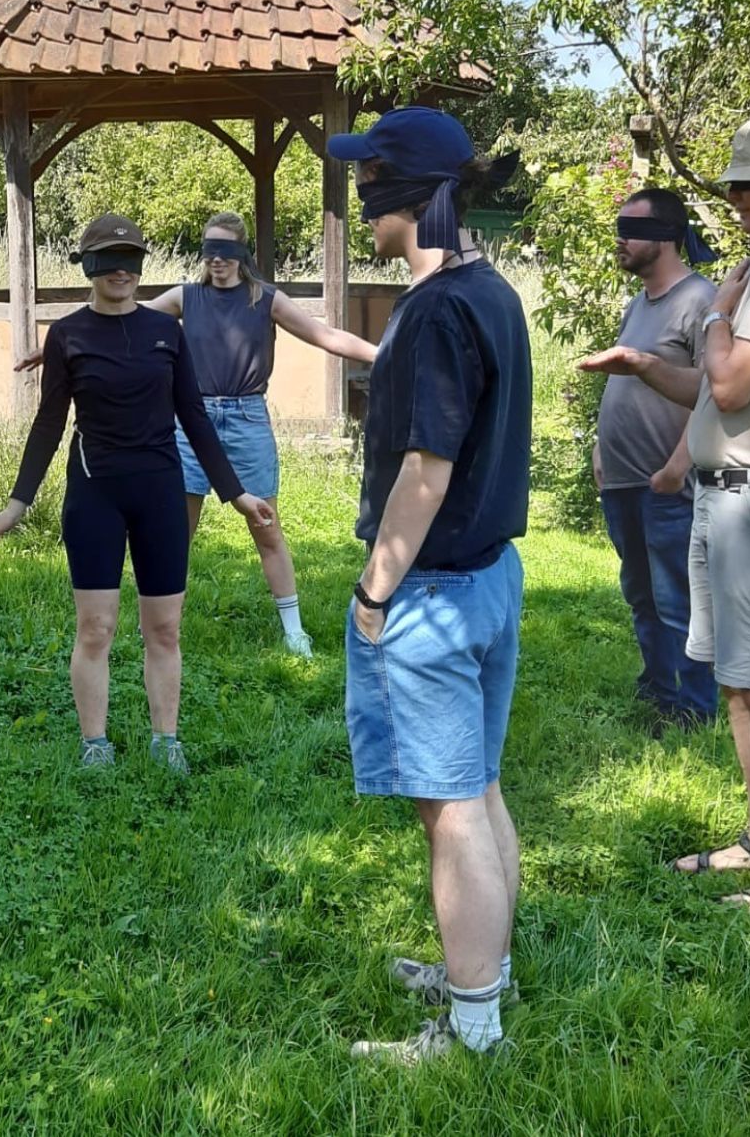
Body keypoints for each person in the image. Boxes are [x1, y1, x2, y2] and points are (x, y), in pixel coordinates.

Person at [581, 113, 750, 908]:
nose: (735, 196)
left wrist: (715, 314)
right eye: (733, 183)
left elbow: (730, 382)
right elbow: (713, 385)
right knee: (740, 688)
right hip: (728, 500)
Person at [330, 107, 529, 1063]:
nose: (357, 195)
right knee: (480, 789)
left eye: (368, 177)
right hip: (490, 578)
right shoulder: (486, 291)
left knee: (449, 808)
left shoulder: (441, 306)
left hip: (437, 594)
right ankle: (482, 966)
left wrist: (374, 592)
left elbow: (426, 467)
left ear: (405, 194)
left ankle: (472, 1026)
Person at [0, 216, 274, 773]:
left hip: (160, 491)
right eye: (109, 258)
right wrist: (17, 504)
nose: (121, 270)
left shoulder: (167, 333)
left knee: (163, 628)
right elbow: (47, 423)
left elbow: (195, 419)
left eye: (131, 258)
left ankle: (166, 740)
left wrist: (236, 495)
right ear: (87, 265)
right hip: (95, 494)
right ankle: (95, 743)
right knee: (96, 627)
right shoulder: (68, 334)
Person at [147, 214, 378, 656]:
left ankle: (294, 632)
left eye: (226, 251)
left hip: (247, 418)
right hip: (191, 419)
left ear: (243, 254)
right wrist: (63, 340)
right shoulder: (185, 297)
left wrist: (382, 354)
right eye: (209, 251)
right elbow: (126, 319)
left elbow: (324, 335)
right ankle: (161, 628)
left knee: (266, 527)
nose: (217, 261)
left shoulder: (264, 299)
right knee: (176, 531)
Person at [594, 188, 717, 733]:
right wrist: (601, 449)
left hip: (668, 482)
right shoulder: (637, 304)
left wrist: (677, 466)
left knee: (677, 598)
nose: (619, 239)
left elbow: (715, 393)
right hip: (623, 478)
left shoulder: (701, 301)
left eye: (631, 228)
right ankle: (659, 687)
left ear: (666, 237)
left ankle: (695, 706)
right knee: (640, 592)